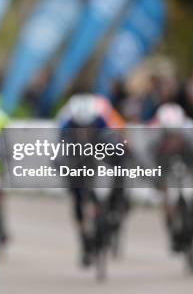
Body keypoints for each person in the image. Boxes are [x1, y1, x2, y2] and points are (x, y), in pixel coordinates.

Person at [58, 93, 128, 267]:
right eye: (79, 127)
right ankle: (84, 241)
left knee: (118, 174)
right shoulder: (65, 126)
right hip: (76, 163)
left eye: (88, 127)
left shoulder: (101, 121)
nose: (84, 132)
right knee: (77, 199)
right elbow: (58, 154)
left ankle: (113, 209)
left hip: (97, 159)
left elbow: (115, 143)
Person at [149, 103, 193, 251]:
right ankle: (170, 223)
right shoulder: (155, 134)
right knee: (163, 187)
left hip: (188, 154)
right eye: (169, 134)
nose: (173, 137)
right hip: (164, 159)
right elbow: (151, 157)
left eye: (176, 133)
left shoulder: (191, 130)